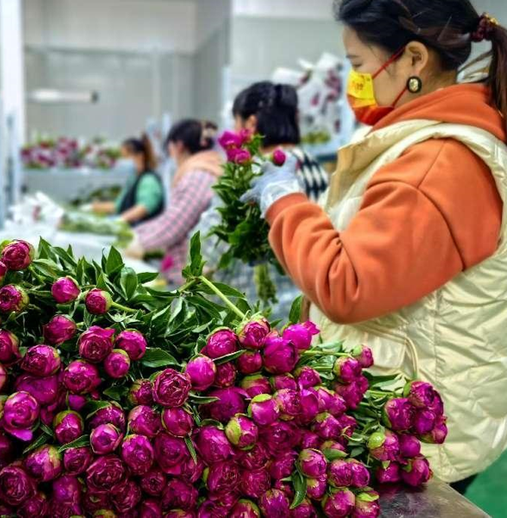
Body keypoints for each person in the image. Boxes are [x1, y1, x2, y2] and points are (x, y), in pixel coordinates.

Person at [244, 0, 507, 490]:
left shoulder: (439, 161)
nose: (356, 82)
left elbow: (350, 284)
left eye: (360, 65)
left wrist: (285, 204)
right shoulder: (424, 145)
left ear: (412, 59)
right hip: (409, 413)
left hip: (416, 437)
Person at [197, 82, 328, 320]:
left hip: (256, 315)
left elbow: (207, 246)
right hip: (306, 308)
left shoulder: (256, 172)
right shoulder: (314, 166)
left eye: (236, 122)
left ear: (251, 124)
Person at [125, 119, 222, 285]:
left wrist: (137, 242)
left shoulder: (198, 176)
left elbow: (174, 224)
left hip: (193, 275)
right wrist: (136, 235)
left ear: (179, 145)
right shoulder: (202, 170)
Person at [92, 134, 164, 226]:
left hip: (142, 231)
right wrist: (94, 207)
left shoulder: (149, 180)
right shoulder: (134, 178)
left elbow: (144, 207)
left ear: (139, 156)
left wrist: (120, 220)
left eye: (125, 157)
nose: (122, 161)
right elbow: (118, 205)